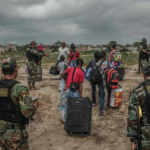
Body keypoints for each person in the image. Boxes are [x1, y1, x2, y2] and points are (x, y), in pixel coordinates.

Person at [0, 57, 39, 150]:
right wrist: (35, 105)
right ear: (16, 69)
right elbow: (28, 113)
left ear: (2, 70)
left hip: (1, 134)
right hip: (15, 136)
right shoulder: (19, 88)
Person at [127, 63, 150, 150]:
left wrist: (132, 138)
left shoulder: (137, 90)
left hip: (146, 133)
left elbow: (132, 116)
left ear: (143, 75)